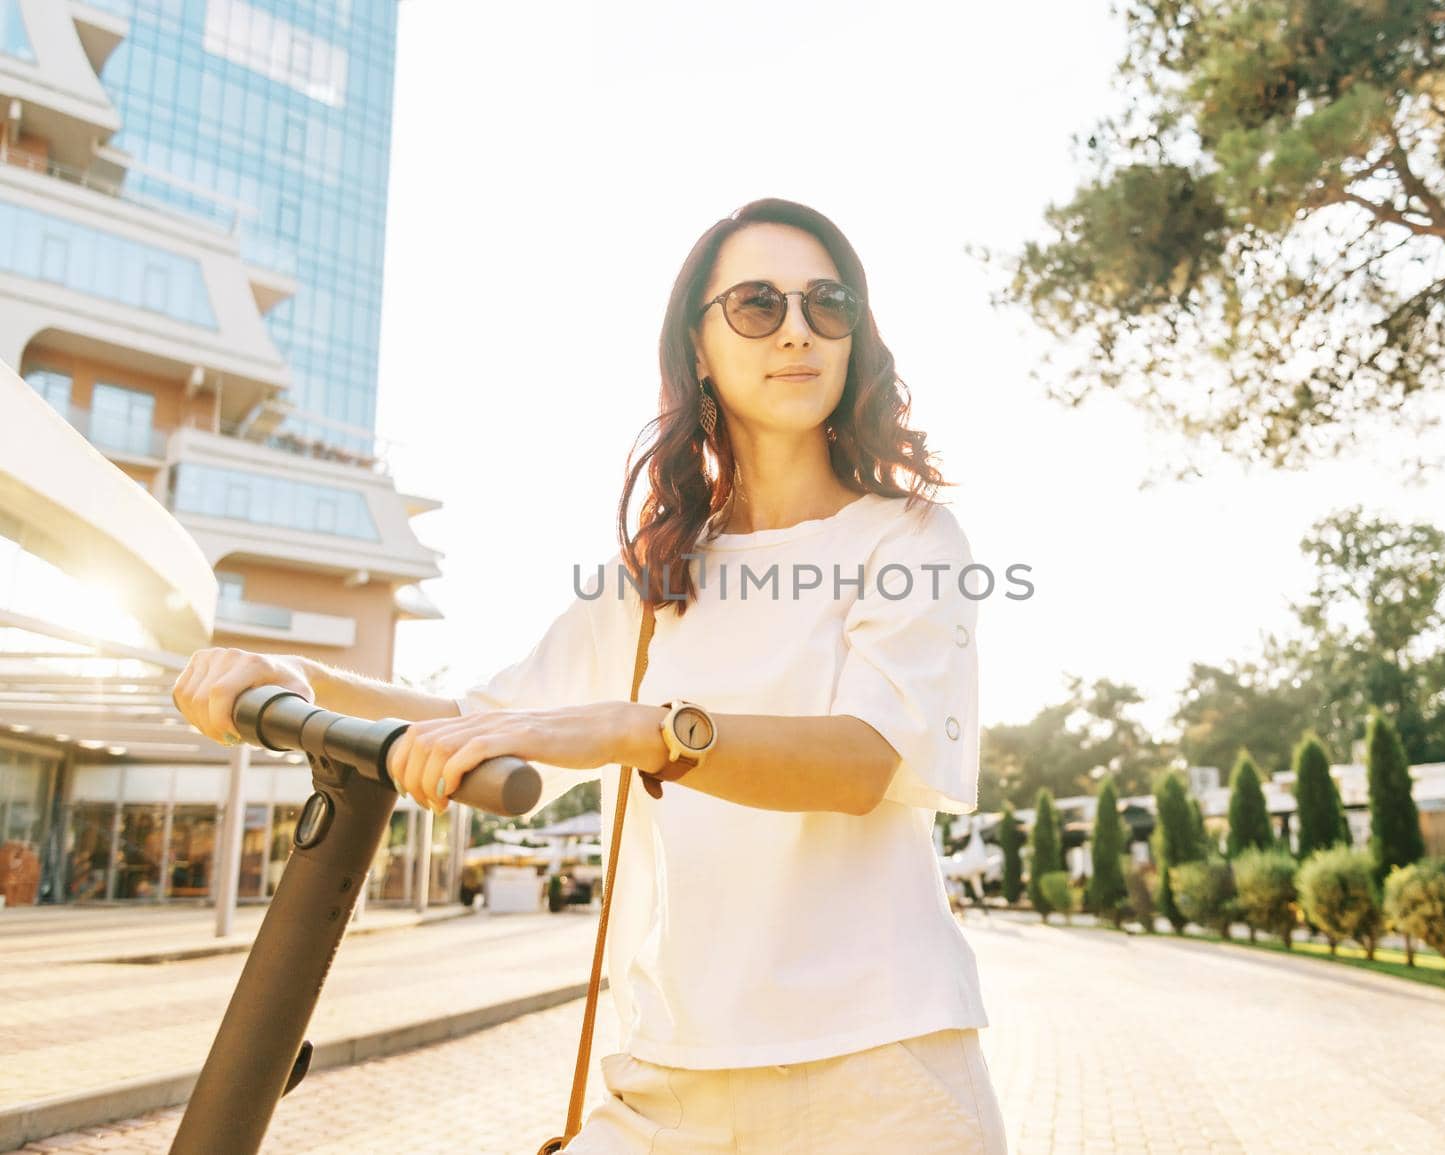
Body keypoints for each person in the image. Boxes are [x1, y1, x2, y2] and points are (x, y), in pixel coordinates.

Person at [170, 197, 1007, 1154]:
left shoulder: (911, 538)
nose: (798, 331)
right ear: (696, 346)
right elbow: (478, 716)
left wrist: (639, 728)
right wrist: (294, 677)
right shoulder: (657, 577)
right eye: (757, 305)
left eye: (828, 302)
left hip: (882, 1069)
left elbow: (861, 761)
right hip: (672, 1073)